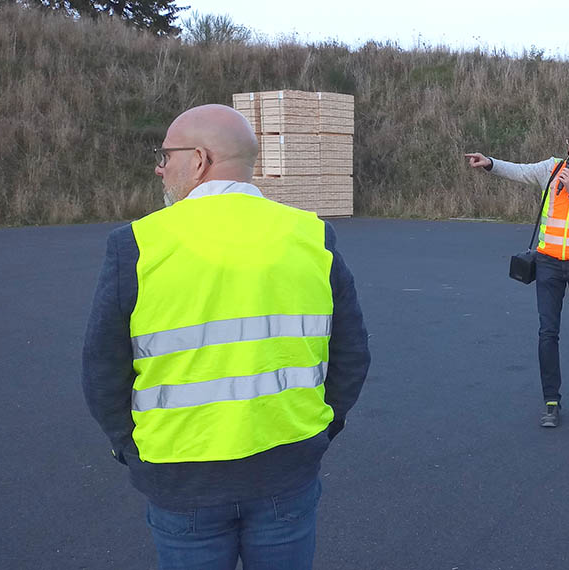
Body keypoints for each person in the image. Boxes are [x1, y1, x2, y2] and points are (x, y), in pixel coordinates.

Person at [81, 104, 371, 569]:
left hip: (181, 479)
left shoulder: (137, 244)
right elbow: (351, 355)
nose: (160, 167)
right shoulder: (314, 236)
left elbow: (102, 370)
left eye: (165, 155)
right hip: (287, 470)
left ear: (198, 160)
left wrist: (133, 449)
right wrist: (319, 431)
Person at [464, 121, 569, 427]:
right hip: (548, 264)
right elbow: (520, 171)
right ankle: (551, 401)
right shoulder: (552, 168)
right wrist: (490, 164)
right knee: (548, 332)